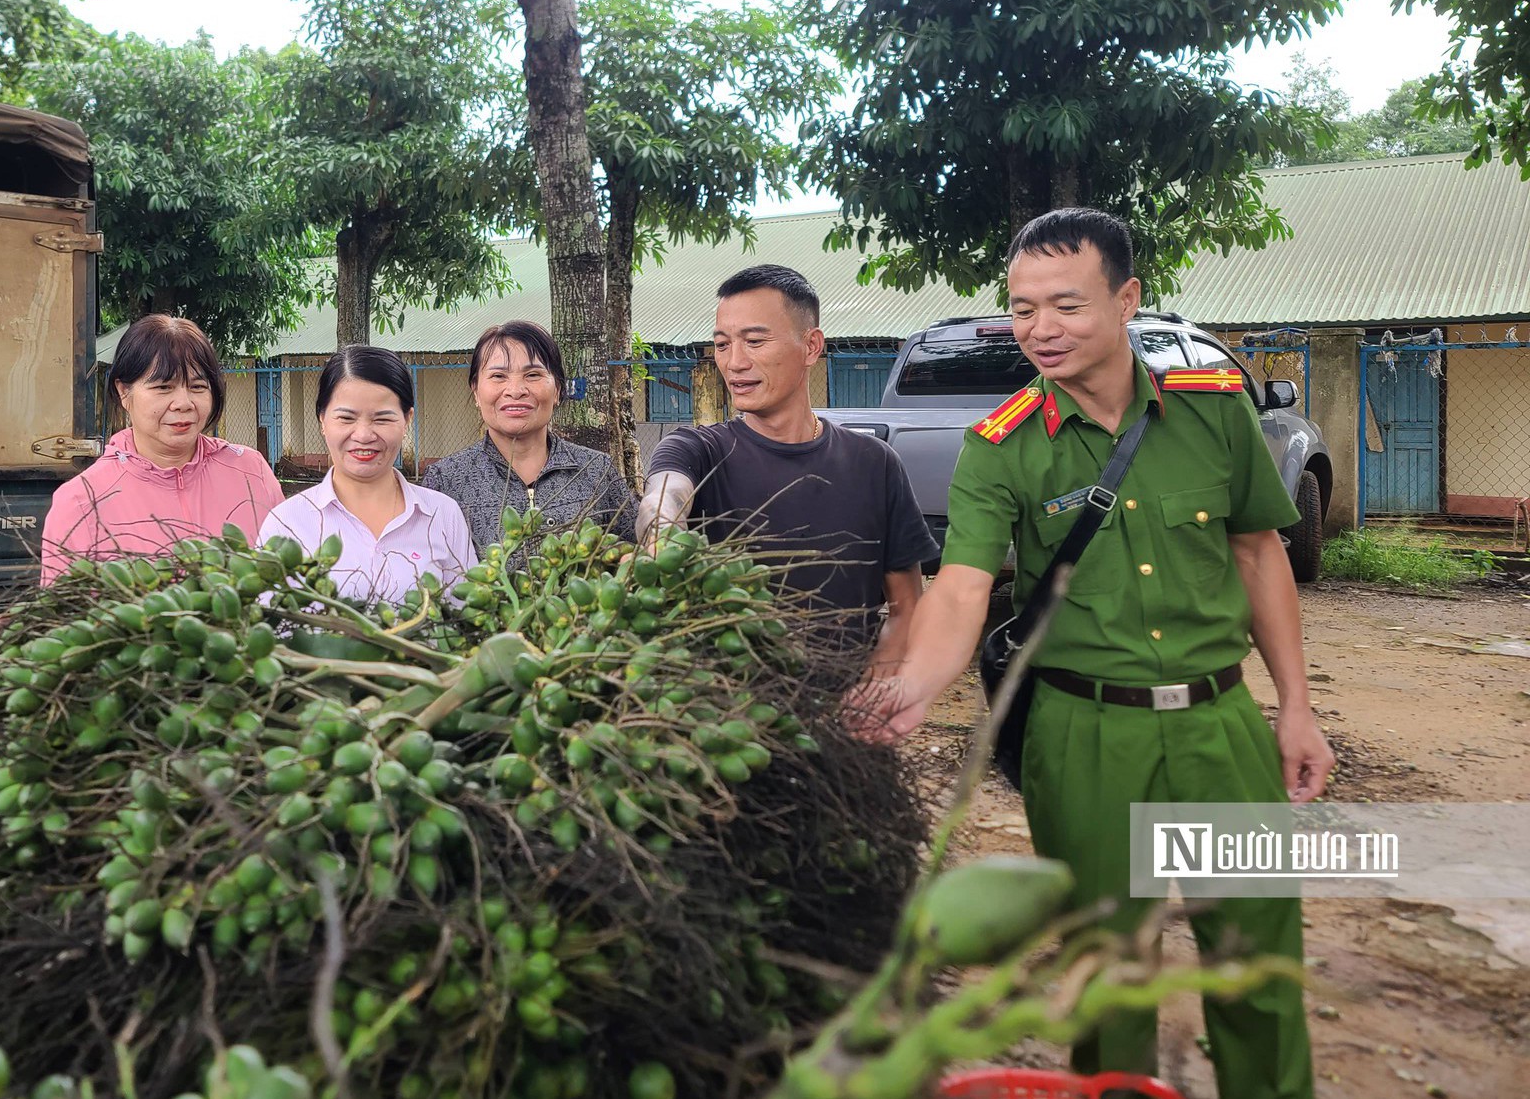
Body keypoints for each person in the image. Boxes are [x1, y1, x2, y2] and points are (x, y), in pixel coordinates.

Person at [853, 209, 1335, 1099]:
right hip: (1082, 737)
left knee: (1258, 964)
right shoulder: (1000, 447)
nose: (1039, 329)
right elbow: (961, 586)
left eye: (1065, 305)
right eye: (1022, 309)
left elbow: (1259, 553)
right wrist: (917, 684)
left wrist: (1296, 706)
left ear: (1126, 300)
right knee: (1109, 978)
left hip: (1221, 727)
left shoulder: (1212, 412)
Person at [638, 264, 936, 666]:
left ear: (811, 346)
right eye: (722, 345)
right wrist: (660, 532)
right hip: (722, 716)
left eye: (755, 341)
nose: (734, 362)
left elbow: (907, 607)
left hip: (837, 715)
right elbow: (666, 493)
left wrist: (877, 688)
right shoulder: (696, 449)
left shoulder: (874, 465)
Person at [41, 315, 281, 584]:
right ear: (124, 391)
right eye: (163, 387)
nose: (183, 403)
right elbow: (68, 616)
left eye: (198, 387)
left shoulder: (252, 473)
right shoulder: (81, 503)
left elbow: (286, 579)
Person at [259, 346, 476, 605]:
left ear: (407, 420)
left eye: (382, 419)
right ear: (322, 420)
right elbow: (270, 622)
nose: (363, 435)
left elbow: (466, 617)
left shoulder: (443, 515)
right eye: (346, 418)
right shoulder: (286, 523)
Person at [422, 319, 637, 556]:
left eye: (533, 375)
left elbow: (636, 551)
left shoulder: (596, 470)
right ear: (475, 391)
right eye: (498, 376)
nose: (515, 390)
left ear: (557, 390)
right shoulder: (446, 481)